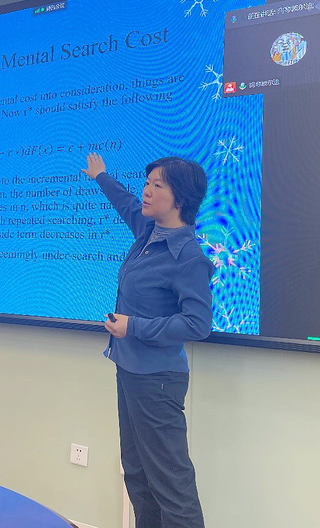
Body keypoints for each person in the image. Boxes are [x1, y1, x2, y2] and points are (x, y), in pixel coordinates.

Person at [81, 152, 213, 528]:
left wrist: (134, 327)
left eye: (158, 185)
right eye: (147, 183)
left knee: (172, 487)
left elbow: (198, 323)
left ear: (180, 199)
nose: (147, 191)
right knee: (138, 477)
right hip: (130, 371)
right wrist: (101, 176)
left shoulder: (188, 257)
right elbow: (125, 201)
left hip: (157, 381)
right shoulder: (147, 232)